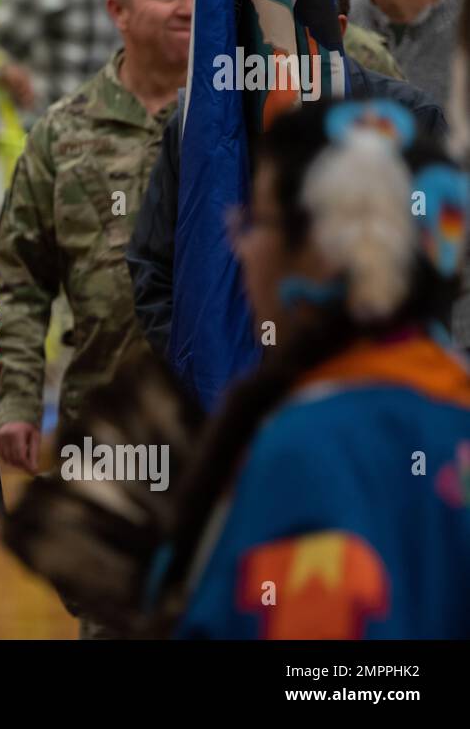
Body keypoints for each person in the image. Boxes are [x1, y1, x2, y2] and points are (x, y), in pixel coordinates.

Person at [165, 100, 470, 638]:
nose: (241, 246)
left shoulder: (308, 449)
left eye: (256, 220)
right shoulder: (452, 406)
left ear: (322, 254)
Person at [127, 0, 448, 361]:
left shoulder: (410, 120)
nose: (272, 56)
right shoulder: (199, 122)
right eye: (260, 37)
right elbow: (153, 264)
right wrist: (202, 365)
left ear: (337, 32)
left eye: (288, 38)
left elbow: (442, 260)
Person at [0, 0, 194, 475]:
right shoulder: (62, 132)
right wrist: (18, 400)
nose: (190, 9)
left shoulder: (240, 122)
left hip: (219, 417)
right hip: (104, 418)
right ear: (118, 11)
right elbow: (20, 278)